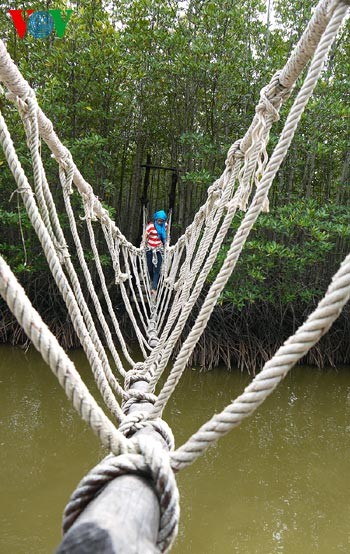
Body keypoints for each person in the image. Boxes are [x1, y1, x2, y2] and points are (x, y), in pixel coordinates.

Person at [144, 210, 167, 295]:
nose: (160, 222)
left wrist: (166, 242)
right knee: (150, 269)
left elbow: (166, 234)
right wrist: (143, 243)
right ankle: (153, 281)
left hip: (159, 250)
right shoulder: (150, 226)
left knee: (157, 269)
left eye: (162, 220)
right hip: (150, 250)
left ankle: (154, 288)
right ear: (156, 219)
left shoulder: (165, 226)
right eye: (159, 220)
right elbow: (145, 234)